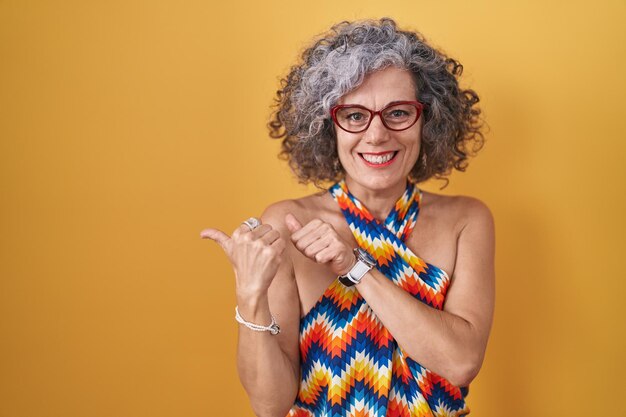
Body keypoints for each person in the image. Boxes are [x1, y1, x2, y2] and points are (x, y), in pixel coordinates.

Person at [201, 17, 495, 417]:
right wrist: (251, 298)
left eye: (398, 112)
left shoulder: (467, 220)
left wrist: (355, 266)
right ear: (327, 126)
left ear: (427, 120)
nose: (376, 135)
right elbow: (270, 405)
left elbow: (461, 363)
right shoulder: (289, 222)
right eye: (355, 115)